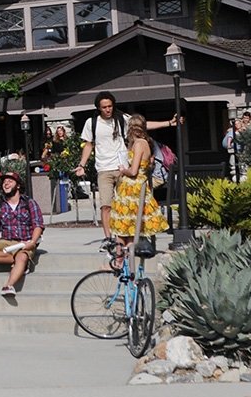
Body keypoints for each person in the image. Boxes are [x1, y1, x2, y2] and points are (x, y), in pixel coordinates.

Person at [73, 92, 177, 243]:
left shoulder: (122, 118)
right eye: (104, 107)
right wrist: (81, 164)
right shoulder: (92, 123)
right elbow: (89, 144)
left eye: (110, 106)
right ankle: (108, 238)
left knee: (124, 205)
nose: (108, 109)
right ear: (99, 108)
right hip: (104, 168)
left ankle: (124, 237)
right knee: (106, 205)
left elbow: (141, 125)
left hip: (123, 168)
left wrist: (168, 123)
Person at [109, 115, 171, 269]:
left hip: (132, 188)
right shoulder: (147, 143)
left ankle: (119, 261)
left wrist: (123, 169)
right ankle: (127, 263)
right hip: (140, 186)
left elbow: (134, 170)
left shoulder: (138, 144)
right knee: (130, 227)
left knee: (121, 227)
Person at [0, 171, 44, 296]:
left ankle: (8, 286)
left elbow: (38, 225)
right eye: (4, 182)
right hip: (6, 241)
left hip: (25, 241)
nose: (6, 184)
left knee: (21, 257)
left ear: (18, 185)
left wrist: (32, 242)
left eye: (10, 181)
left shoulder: (29, 203)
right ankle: (20, 264)